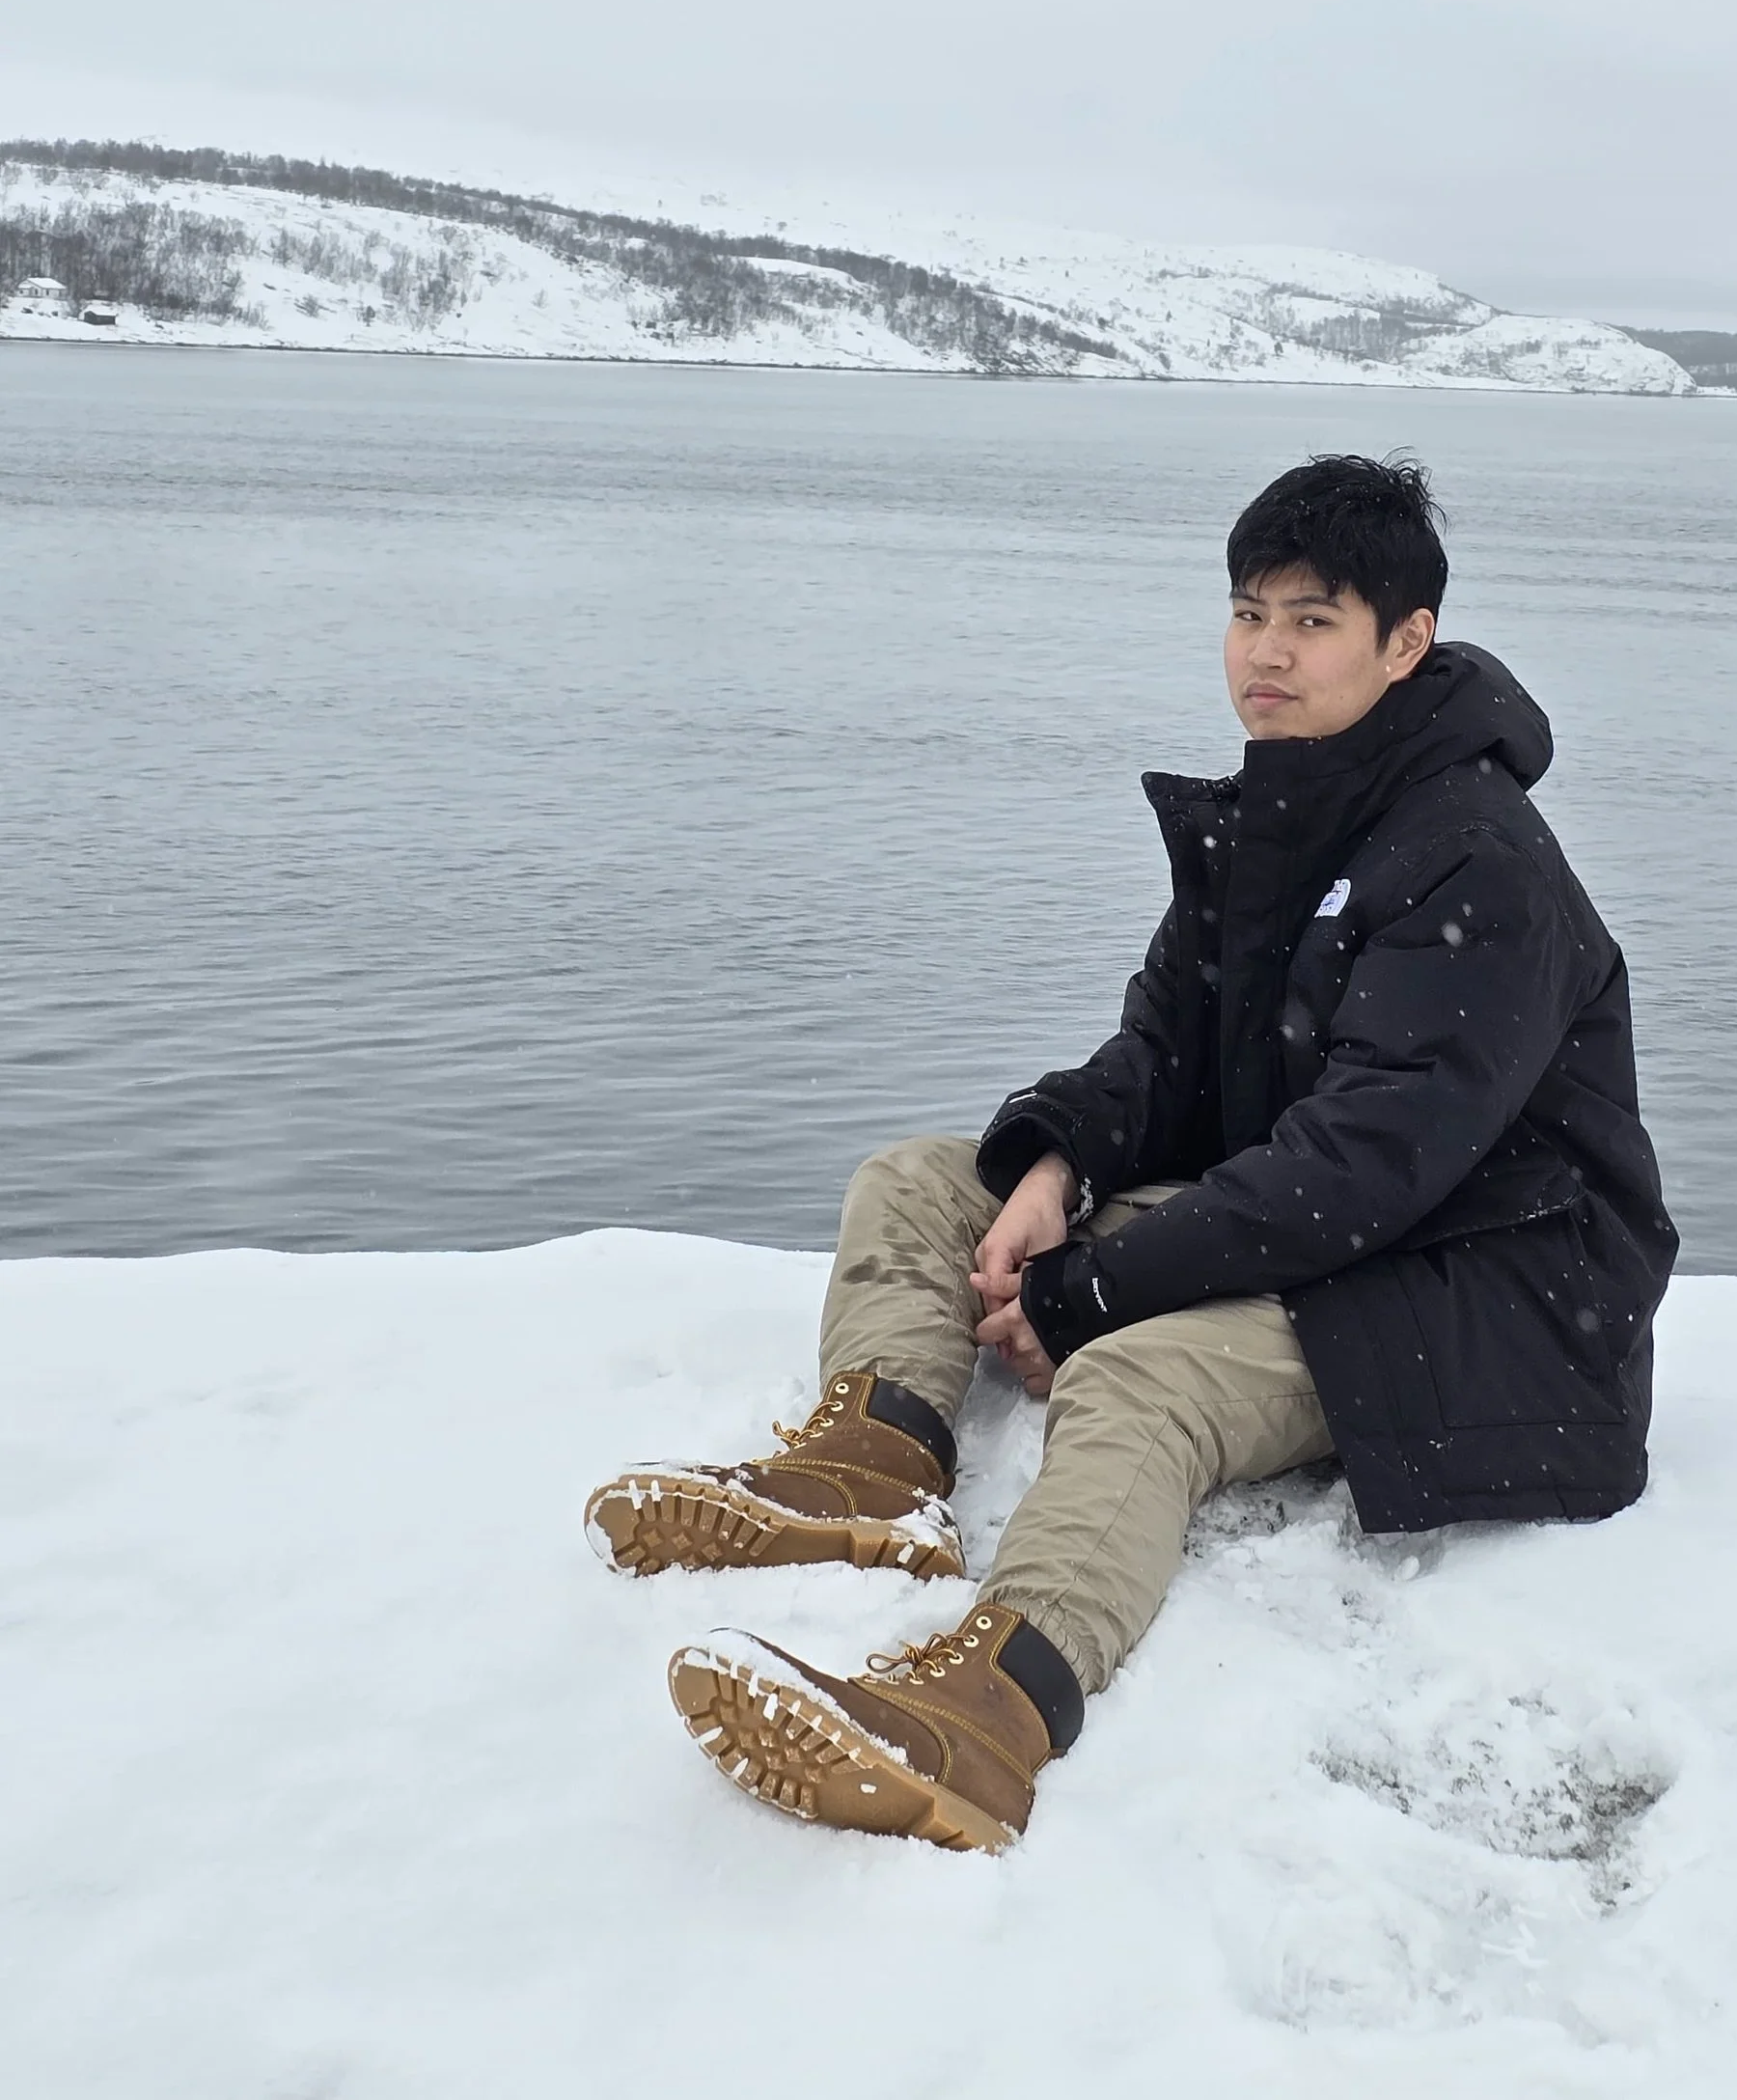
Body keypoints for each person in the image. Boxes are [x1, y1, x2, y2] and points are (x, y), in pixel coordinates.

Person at [584, 452, 1677, 1854]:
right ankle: (872, 1469)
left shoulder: (1480, 862)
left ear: (1407, 643)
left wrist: (1088, 1293)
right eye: (1248, 613)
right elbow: (1165, 1057)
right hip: (1346, 1235)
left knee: (1141, 1377)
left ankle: (989, 1718)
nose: (1265, 654)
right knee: (922, 1185)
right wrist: (1059, 1171)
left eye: (1313, 621)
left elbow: (1363, 1166)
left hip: (1495, 1295)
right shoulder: (1286, 810)